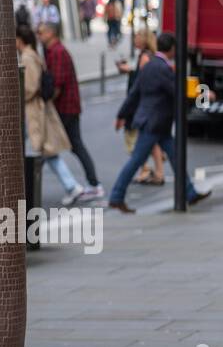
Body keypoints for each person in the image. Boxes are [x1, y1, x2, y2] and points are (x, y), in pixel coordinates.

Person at [108, 32, 211, 213]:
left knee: (176, 157)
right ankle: (116, 196)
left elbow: (134, 93)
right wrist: (203, 95)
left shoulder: (149, 65)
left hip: (157, 123)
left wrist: (121, 115)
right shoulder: (162, 69)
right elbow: (177, 92)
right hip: (154, 123)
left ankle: (190, 193)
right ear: (172, 49)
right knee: (136, 160)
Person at [17, 25, 85, 206]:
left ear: (19, 40)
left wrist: (18, 95)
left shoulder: (28, 57)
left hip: (32, 111)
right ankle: (70, 186)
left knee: (37, 151)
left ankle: (68, 186)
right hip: (35, 110)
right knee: (42, 152)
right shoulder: (34, 55)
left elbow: (30, 87)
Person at [38, 21, 103, 200]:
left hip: (65, 107)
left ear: (51, 33)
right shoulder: (54, 52)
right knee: (72, 146)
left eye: (41, 32)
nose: (39, 36)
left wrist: (47, 103)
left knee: (51, 148)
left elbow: (57, 84)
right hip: (68, 106)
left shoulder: (58, 52)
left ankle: (86, 185)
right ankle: (89, 184)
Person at [117, 27, 165, 185]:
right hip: (147, 105)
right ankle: (157, 172)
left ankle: (146, 171)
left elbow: (140, 82)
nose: (134, 39)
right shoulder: (148, 56)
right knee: (154, 141)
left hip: (141, 106)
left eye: (137, 36)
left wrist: (124, 112)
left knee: (138, 141)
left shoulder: (145, 57)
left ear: (144, 40)